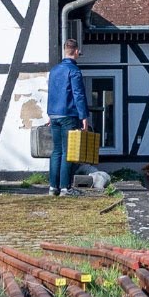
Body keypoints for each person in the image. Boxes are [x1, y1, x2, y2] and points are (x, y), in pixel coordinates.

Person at [47, 38, 90, 196]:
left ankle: (53, 187)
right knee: (67, 151)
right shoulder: (74, 71)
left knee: (56, 151)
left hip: (54, 114)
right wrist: (84, 116)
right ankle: (65, 187)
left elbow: (51, 92)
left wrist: (50, 115)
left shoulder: (54, 70)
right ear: (76, 51)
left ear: (65, 51)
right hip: (68, 115)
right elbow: (78, 95)